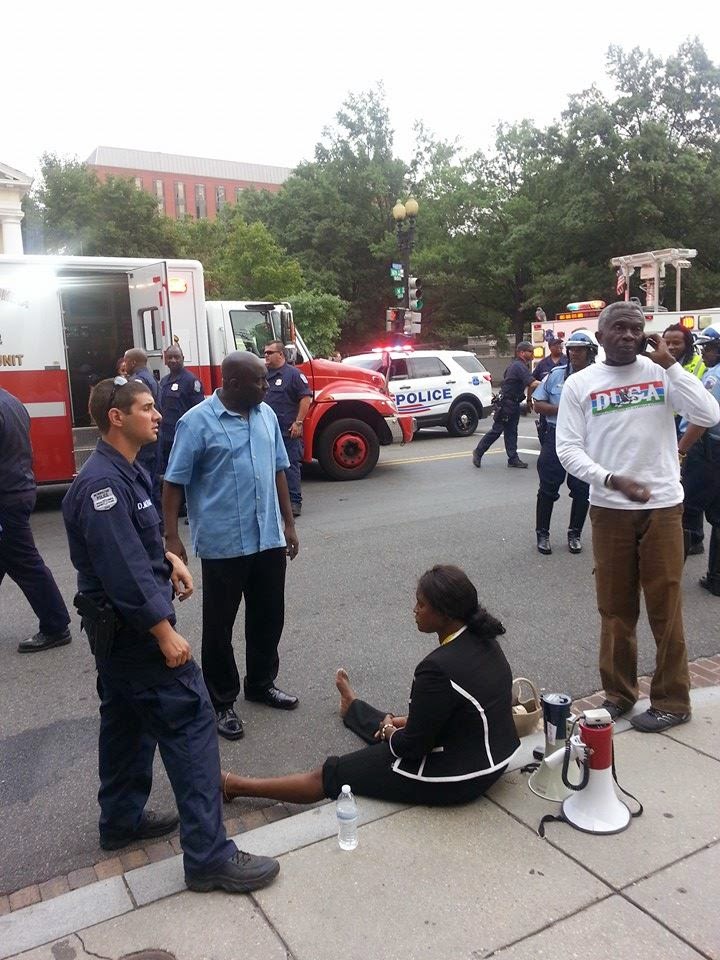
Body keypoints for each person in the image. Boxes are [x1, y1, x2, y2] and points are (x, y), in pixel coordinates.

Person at [62, 377, 279, 894]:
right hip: (137, 636)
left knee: (126, 725)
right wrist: (164, 632)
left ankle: (121, 821)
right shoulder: (103, 486)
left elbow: (134, 549)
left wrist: (169, 558)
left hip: (120, 641)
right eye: (146, 407)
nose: (158, 415)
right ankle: (208, 856)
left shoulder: (125, 470)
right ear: (117, 417)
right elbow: (120, 572)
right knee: (191, 724)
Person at [221, 565, 520, 807]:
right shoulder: (484, 638)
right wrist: (400, 726)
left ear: (444, 613)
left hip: (457, 780)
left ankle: (234, 785)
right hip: (495, 761)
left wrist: (392, 731)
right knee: (398, 724)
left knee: (330, 773)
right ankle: (352, 708)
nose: (414, 609)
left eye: (421, 604)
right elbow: (456, 714)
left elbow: (411, 747)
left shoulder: (436, 668)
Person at [556, 301, 720, 733]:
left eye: (636, 329)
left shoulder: (661, 374)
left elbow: (709, 415)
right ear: (600, 336)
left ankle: (672, 700)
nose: (628, 335)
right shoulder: (580, 384)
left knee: (665, 607)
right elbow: (568, 449)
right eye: (619, 329)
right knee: (615, 608)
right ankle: (618, 694)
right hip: (610, 511)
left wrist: (671, 366)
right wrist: (610, 479)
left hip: (664, 507)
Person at [163, 352, 300, 742]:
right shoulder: (196, 422)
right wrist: (172, 537)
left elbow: (278, 470)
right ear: (235, 383)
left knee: (268, 616)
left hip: (268, 538)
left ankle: (260, 684)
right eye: (260, 381)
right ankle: (221, 701)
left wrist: (289, 524)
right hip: (224, 543)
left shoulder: (267, 416)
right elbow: (174, 481)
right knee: (219, 626)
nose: (266, 386)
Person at [0, 385, 72, 653]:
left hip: (6, 496)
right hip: (17, 489)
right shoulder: (11, 400)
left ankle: (55, 626)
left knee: (25, 563)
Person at [532, 333, 596, 555]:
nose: (574, 353)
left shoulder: (600, 377)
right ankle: (542, 534)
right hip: (556, 435)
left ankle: (574, 533)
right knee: (548, 488)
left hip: (585, 440)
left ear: (591, 352)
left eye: (580, 349)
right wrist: (563, 409)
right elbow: (538, 404)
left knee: (581, 489)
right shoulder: (556, 375)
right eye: (572, 349)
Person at [678, 327, 720, 593]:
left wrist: (681, 449)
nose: (704, 353)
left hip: (706, 450)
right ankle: (716, 578)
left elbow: (703, 419)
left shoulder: (713, 377)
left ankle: (666, 577)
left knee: (682, 510)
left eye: (710, 348)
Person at [263, 340, 312, 518]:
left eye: (270, 352)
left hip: (288, 431)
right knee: (268, 468)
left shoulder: (293, 375)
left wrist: (298, 422)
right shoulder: (263, 375)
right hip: (266, 431)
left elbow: (305, 398)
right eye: (265, 353)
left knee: (289, 466)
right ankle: (275, 502)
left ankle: (294, 502)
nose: (266, 356)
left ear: (281, 355)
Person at [472, 342, 541, 469]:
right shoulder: (518, 366)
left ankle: (513, 458)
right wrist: (547, 384)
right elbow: (532, 383)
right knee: (497, 430)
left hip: (513, 403)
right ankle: (478, 451)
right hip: (507, 403)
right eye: (530, 351)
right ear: (521, 352)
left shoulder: (520, 366)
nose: (532, 354)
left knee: (512, 432)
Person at [124, 348, 162, 510]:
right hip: (154, 437)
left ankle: (154, 522)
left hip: (144, 441)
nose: (125, 365)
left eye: (126, 361)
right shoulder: (151, 379)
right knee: (152, 482)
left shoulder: (137, 382)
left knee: (144, 484)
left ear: (132, 362)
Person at [158, 345, 204, 472]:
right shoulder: (164, 381)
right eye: (169, 357)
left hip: (183, 438)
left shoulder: (191, 381)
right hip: (166, 438)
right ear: (165, 360)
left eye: (176, 357)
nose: (173, 360)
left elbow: (199, 412)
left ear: (183, 358)